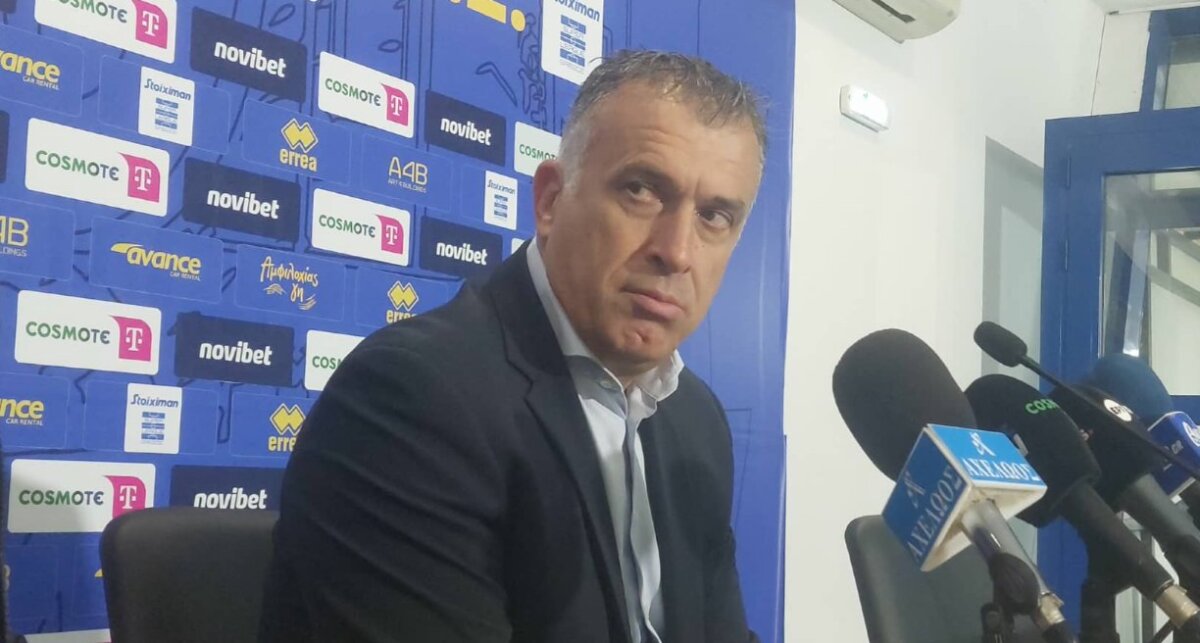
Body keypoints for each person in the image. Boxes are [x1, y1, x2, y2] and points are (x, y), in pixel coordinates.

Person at [260, 49, 766, 643]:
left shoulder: (696, 420)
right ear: (550, 200)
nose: (676, 251)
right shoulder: (411, 399)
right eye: (641, 190)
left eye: (714, 217)